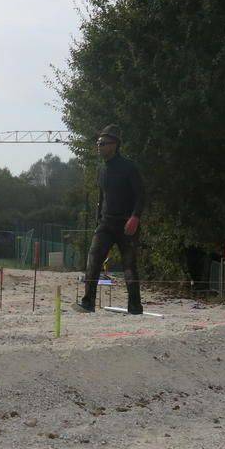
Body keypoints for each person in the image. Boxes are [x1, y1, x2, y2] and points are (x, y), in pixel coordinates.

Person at [78, 124, 145, 315]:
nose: (99, 146)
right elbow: (102, 196)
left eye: (103, 143)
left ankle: (134, 307)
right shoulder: (101, 169)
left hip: (126, 224)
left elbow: (141, 195)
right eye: (98, 143)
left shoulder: (129, 168)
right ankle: (88, 302)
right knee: (93, 260)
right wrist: (98, 220)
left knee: (129, 265)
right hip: (106, 223)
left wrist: (135, 217)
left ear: (114, 145)